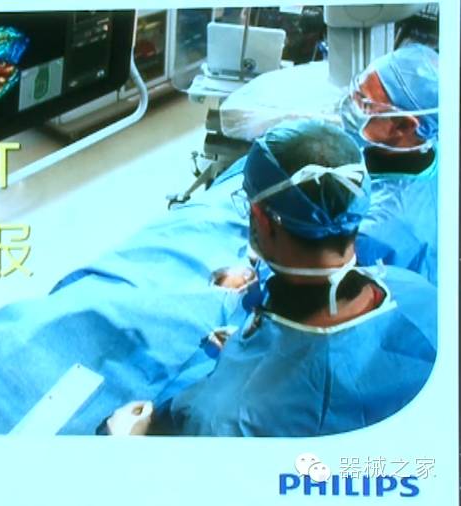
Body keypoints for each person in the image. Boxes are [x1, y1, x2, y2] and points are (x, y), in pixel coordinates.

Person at [104, 119, 437, 437]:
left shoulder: (229, 418)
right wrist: (256, 342)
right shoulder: (416, 292)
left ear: (261, 218)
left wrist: (127, 441)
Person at [341, 44, 439, 285]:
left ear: (405, 125)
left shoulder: (376, 233)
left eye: (364, 103)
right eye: (356, 89)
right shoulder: (433, 149)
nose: (350, 103)